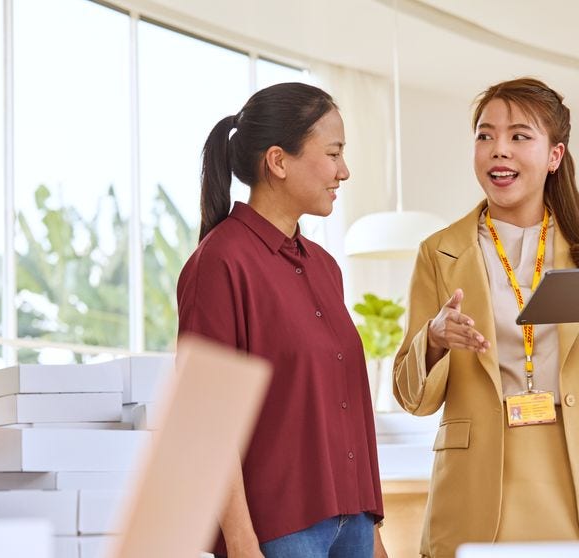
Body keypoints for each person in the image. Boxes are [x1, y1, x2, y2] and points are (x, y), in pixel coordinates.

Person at [392, 77, 579, 558]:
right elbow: (412, 398)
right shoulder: (437, 253)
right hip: (479, 490)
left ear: (554, 156)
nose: (498, 150)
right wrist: (435, 340)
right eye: (485, 135)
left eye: (519, 136)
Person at [178, 82, 387, 558]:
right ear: (278, 161)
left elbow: (344, 406)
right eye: (333, 153)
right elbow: (207, 420)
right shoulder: (221, 263)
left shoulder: (324, 266)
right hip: (279, 534)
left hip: (353, 524)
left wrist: (371, 531)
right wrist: (241, 542)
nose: (344, 171)